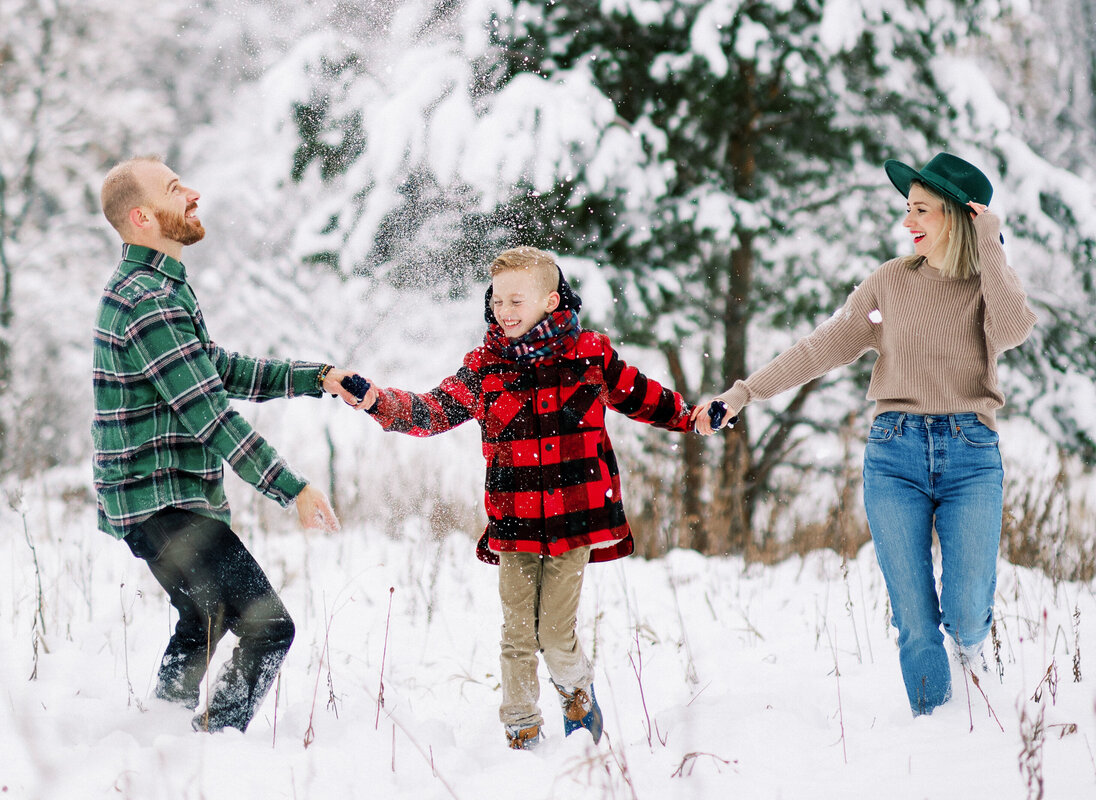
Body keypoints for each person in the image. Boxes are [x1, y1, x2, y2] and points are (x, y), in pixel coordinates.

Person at [696, 153, 1038, 716]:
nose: (908, 222)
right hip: (894, 453)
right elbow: (821, 345)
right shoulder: (890, 282)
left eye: (922, 210)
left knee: (966, 606)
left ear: (959, 217)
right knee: (914, 618)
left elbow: (1013, 328)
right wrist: (742, 393)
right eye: (908, 210)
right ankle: (934, 731)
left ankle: (974, 656)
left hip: (971, 455)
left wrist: (992, 246)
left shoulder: (987, 285)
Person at [347, 247, 697, 748]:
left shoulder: (589, 356)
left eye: (516, 300)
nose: (504, 311)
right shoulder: (485, 369)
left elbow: (641, 397)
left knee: (554, 634)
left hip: (576, 520)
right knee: (516, 635)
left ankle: (576, 692)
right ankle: (521, 731)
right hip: (514, 524)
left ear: (550, 301)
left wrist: (691, 416)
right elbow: (431, 411)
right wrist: (378, 401)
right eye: (497, 301)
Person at [93, 156, 370, 733]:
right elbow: (211, 417)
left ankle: (162, 737)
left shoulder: (159, 289)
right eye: (175, 189)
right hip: (160, 502)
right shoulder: (148, 301)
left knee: (204, 616)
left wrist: (315, 377)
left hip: (156, 502)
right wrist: (291, 487)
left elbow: (216, 369)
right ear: (142, 216)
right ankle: (215, 744)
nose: (192, 192)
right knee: (270, 628)